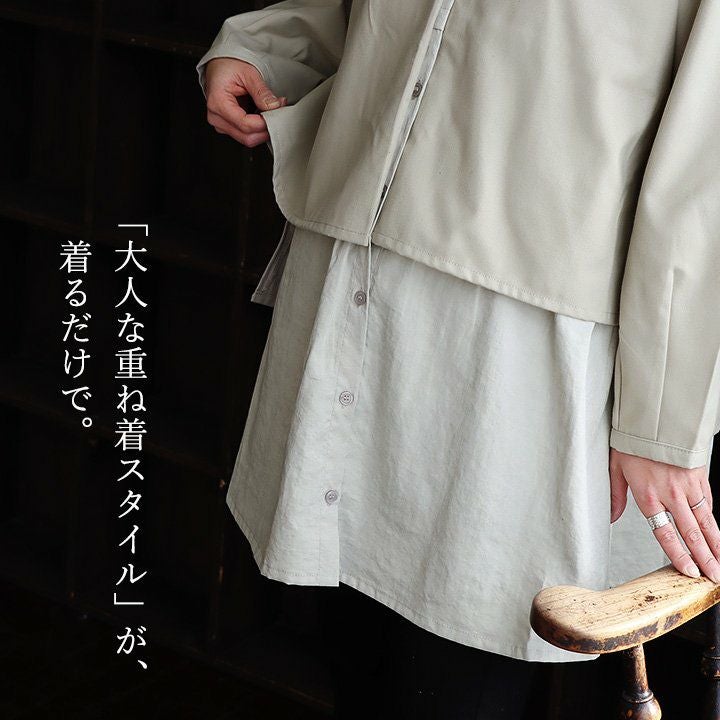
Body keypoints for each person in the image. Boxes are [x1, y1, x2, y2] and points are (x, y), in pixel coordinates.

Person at [197, 1, 720, 716]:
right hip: (350, 272)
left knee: (462, 662)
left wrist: (662, 417)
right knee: (352, 645)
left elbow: (706, 163)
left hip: (517, 341)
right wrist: (267, 46)